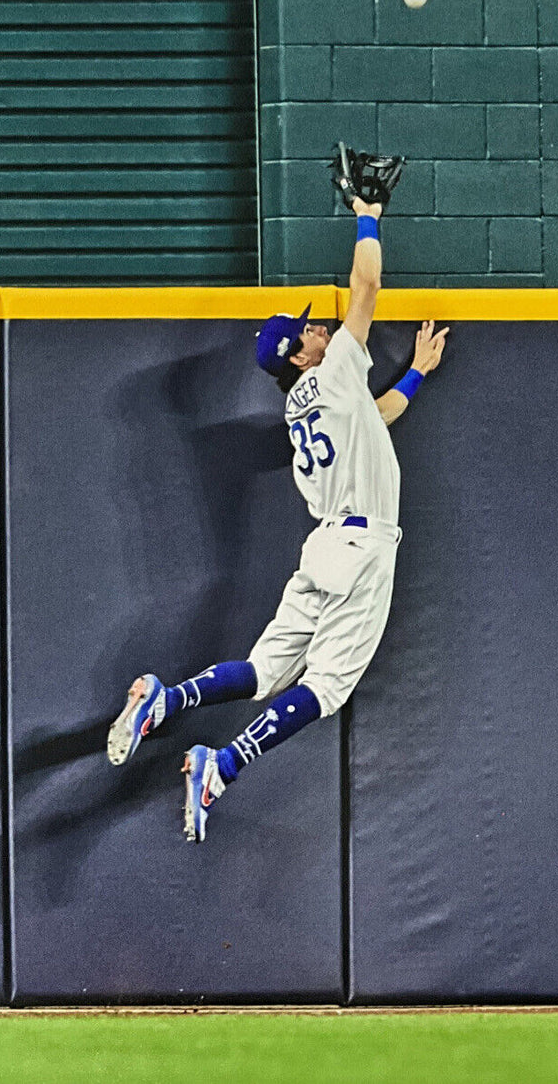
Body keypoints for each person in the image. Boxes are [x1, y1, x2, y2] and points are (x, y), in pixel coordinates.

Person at [107, 195, 448, 842]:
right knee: (328, 686)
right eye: (311, 330)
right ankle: (223, 762)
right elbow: (368, 284)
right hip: (362, 548)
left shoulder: (301, 409)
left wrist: (415, 378)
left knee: (265, 672)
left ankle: (167, 698)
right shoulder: (338, 368)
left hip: (323, 548)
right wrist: (367, 213)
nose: (321, 329)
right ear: (299, 354)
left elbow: (373, 422)